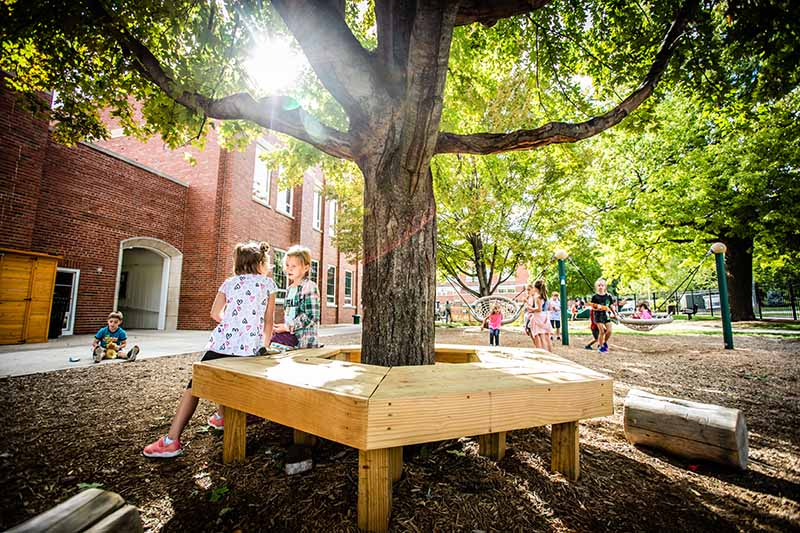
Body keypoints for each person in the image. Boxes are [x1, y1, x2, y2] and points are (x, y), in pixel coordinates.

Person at [143, 241, 277, 458]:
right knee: (229, 378)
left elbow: (215, 314)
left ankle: (171, 441)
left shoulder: (229, 284)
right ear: (261, 263)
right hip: (250, 348)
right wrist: (264, 346)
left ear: (238, 263)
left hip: (222, 343)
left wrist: (232, 322)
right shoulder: (268, 285)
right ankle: (221, 417)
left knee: (193, 387)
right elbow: (268, 322)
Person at [270, 245, 321, 351]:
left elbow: (312, 316)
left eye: (294, 266)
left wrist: (287, 327)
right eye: (287, 265)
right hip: (290, 337)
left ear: (306, 268)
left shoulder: (309, 287)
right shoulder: (289, 289)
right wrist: (282, 328)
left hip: (303, 342)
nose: (289, 269)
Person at [590, 278, 615, 354]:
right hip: (598, 316)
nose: (601, 287)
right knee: (602, 331)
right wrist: (598, 308)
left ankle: (604, 342)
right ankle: (600, 347)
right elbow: (592, 307)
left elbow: (611, 306)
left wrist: (614, 313)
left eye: (602, 285)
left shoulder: (608, 296)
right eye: (599, 285)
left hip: (606, 315)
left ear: (605, 287)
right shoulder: (595, 297)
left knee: (609, 331)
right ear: (597, 287)